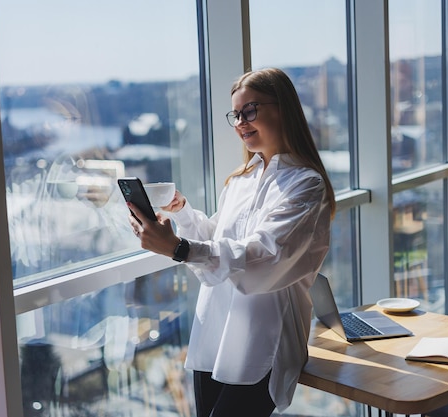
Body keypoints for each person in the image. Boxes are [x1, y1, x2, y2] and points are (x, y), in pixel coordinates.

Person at [127, 67, 336, 417]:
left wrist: (178, 248)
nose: (241, 122)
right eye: (236, 114)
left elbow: (264, 257)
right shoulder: (242, 179)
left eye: (250, 110)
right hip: (215, 330)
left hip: (260, 341)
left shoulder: (307, 185)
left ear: (283, 108)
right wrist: (182, 214)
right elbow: (219, 241)